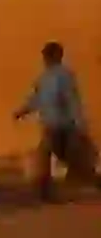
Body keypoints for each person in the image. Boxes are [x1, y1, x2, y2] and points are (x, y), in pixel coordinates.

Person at [13, 41, 100, 200]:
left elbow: (71, 100)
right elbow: (36, 99)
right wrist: (22, 111)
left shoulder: (64, 76)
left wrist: (79, 124)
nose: (45, 59)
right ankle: (47, 190)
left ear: (55, 56)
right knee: (58, 157)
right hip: (52, 126)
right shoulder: (45, 78)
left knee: (53, 156)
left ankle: (46, 190)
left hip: (63, 126)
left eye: (47, 56)